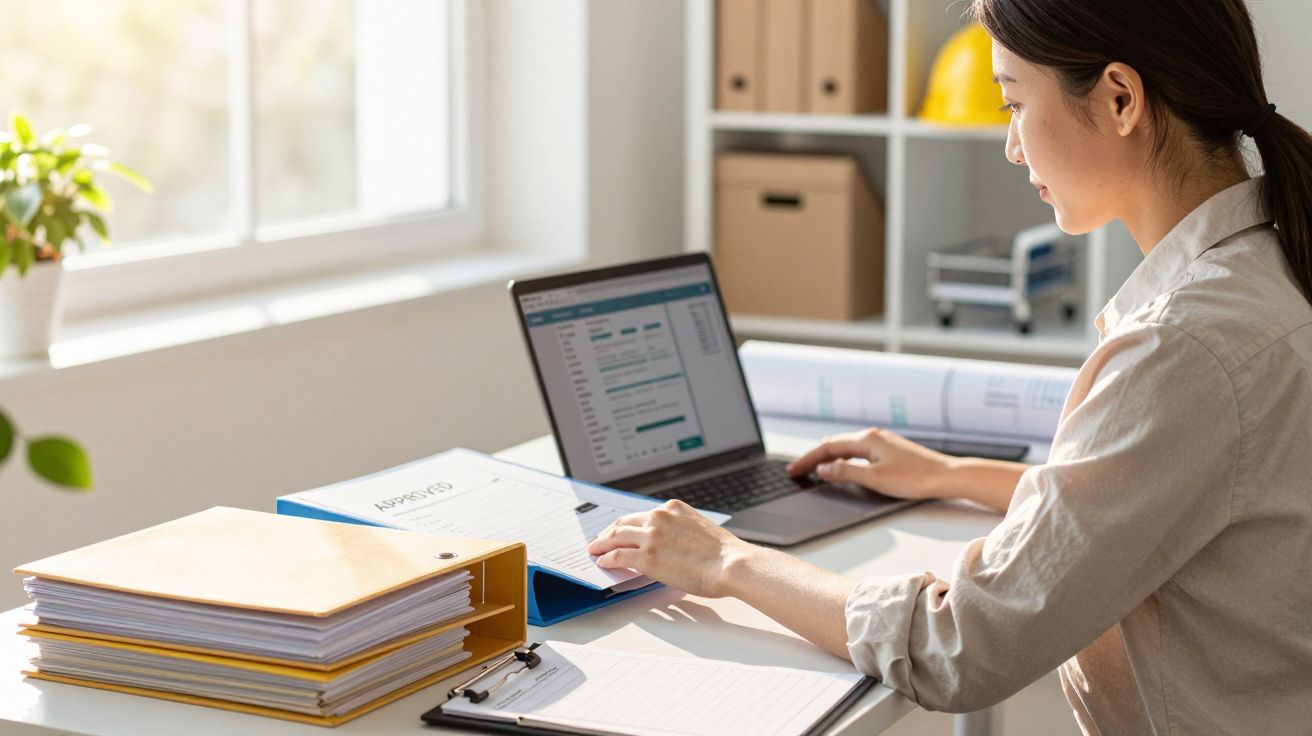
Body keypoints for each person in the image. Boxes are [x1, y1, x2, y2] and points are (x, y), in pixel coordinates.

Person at [588, 0, 1312, 732]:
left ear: (1120, 99)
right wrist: (950, 475)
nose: (1012, 145)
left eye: (1014, 102)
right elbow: (1169, 488)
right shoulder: (1272, 265)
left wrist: (726, 561)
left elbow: (961, 646)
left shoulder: (1185, 345)